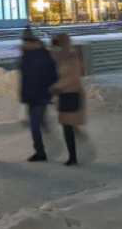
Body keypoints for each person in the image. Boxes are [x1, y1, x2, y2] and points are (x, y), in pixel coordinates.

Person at [19, 28, 57, 162]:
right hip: (36, 95)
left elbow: (51, 74)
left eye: (25, 41)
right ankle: (45, 144)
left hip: (37, 96)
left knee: (35, 124)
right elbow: (25, 78)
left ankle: (41, 151)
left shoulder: (34, 55)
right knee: (38, 122)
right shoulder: (32, 54)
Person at [50, 33, 85, 166]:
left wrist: (56, 86)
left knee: (68, 126)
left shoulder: (72, 59)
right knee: (67, 126)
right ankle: (73, 153)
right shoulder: (60, 59)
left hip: (72, 94)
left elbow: (73, 77)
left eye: (59, 45)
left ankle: (73, 155)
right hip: (63, 95)